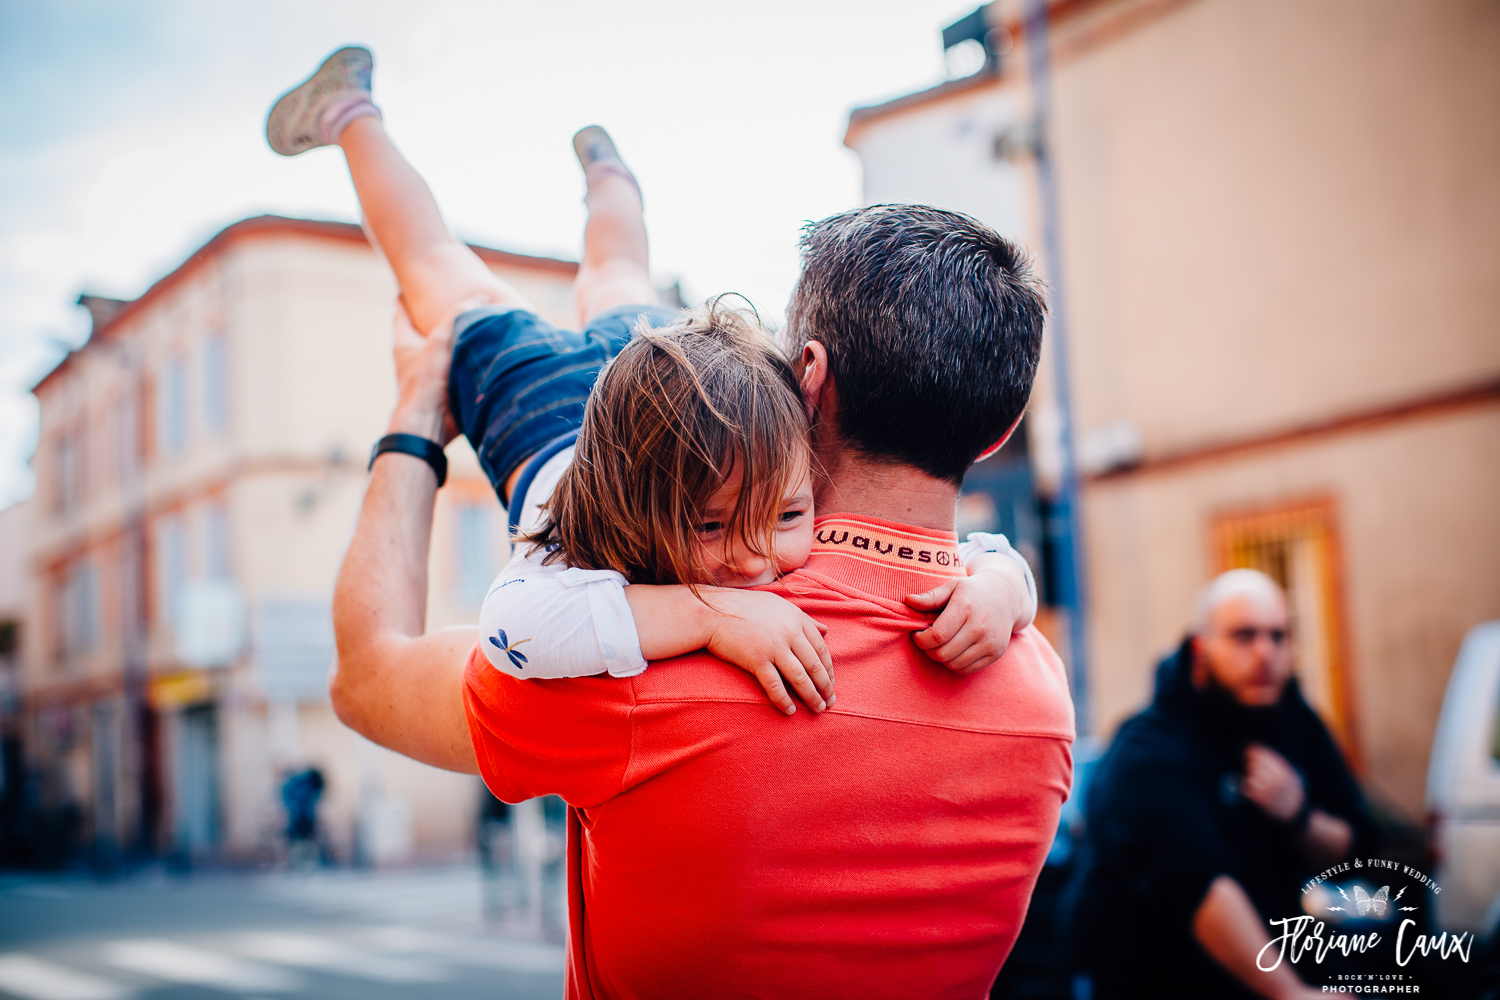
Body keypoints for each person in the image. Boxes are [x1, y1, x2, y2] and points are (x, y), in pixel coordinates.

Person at [277, 49, 1075, 999]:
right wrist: (1006, 578)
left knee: (504, 278)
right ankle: (581, 176)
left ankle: (402, 128)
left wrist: (414, 417)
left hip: (571, 423)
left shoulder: (642, 675)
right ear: (1002, 426)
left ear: (805, 380)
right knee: (580, 275)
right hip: (586, 418)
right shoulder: (1034, 690)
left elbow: (369, 674)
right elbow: (955, 563)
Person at [267, 48, 1039, 714]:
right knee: (444, 266)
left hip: (665, 393)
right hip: (544, 417)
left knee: (609, 274)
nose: (749, 563)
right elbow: (512, 626)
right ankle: (352, 113)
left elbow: (958, 551)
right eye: (707, 527)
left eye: (785, 516)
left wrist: (1003, 587)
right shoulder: (582, 536)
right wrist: (707, 617)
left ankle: (611, 180)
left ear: (810, 407)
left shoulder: (778, 468)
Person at [1067, 569, 1378, 1000]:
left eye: (1278, 636)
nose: (1265, 652)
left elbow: (1357, 843)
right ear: (1201, 649)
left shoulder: (1295, 724)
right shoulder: (1148, 748)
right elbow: (1197, 883)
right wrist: (1290, 993)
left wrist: (1299, 816)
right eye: (1244, 636)